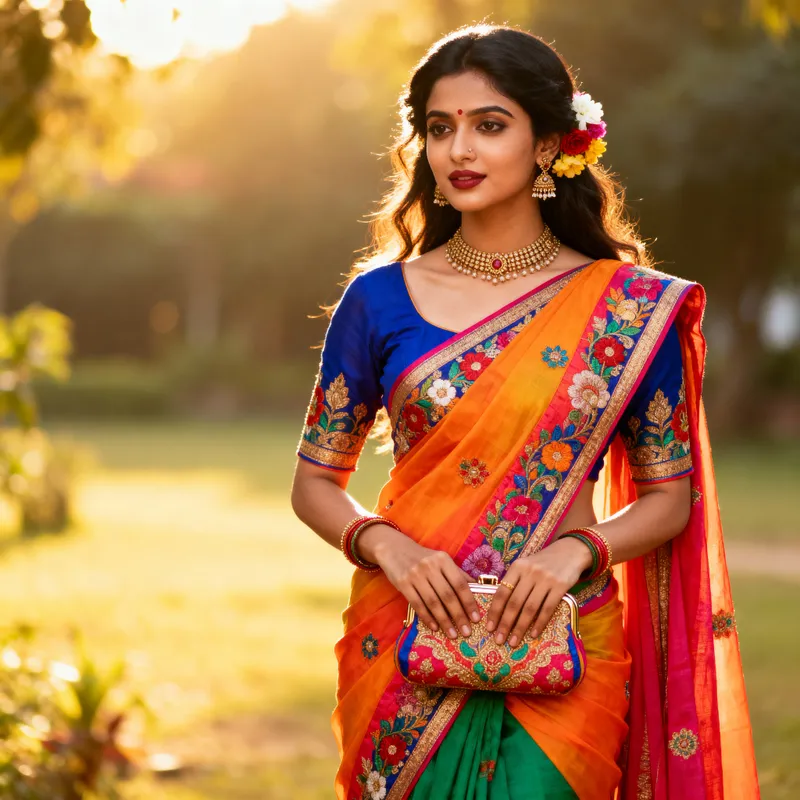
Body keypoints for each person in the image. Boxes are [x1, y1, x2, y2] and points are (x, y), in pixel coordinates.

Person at [290, 25, 758, 800]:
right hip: (406, 633)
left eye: (490, 124)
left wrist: (574, 553)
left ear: (548, 145)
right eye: (440, 129)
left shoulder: (628, 309)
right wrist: (384, 547)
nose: (459, 150)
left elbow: (669, 499)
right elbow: (314, 483)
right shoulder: (377, 300)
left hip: (566, 636)